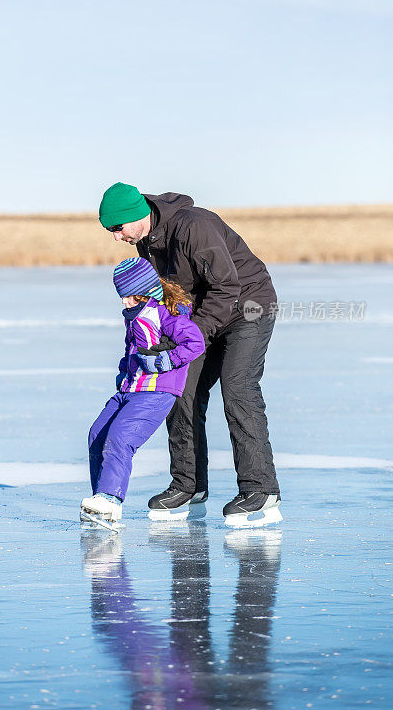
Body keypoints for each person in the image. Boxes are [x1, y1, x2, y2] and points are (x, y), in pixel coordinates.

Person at [98, 182, 282, 527]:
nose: (115, 237)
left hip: (248, 307)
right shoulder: (147, 241)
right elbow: (172, 293)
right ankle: (189, 485)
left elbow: (227, 287)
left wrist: (194, 333)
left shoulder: (194, 226)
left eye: (117, 228)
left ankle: (261, 490)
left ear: (135, 216)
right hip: (202, 315)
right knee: (180, 390)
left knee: (238, 388)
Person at [81, 257, 205, 523]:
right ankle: (100, 500)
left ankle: (110, 498)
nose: (125, 302)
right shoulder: (134, 315)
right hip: (129, 389)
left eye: (129, 296)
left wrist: (165, 360)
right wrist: (124, 371)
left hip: (156, 392)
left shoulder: (164, 314)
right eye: (122, 297)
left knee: (120, 437)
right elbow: (132, 351)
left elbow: (195, 343)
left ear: (145, 291)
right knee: (97, 435)